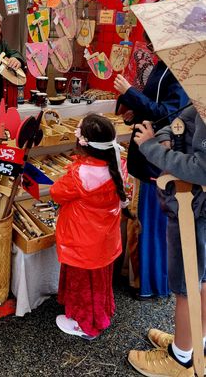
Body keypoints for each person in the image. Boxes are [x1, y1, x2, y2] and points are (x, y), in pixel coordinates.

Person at [128, 106, 206, 377]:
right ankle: (196, 343)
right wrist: (164, 139)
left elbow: (201, 169)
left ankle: (181, 358)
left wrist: (153, 148)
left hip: (195, 211)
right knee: (201, 280)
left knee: (188, 286)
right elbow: (176, 121)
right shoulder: (199, 91)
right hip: (194, 207)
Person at [114, 34, 189, 298]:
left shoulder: (180, 70)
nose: (149, 45)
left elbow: (168, 114)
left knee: (152, 224)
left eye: (153, 39)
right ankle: (137, 277)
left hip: (156, 158)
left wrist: (129, 93)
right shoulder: (162, 65)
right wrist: (133, 109)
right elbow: (153, 107)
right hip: (146, 155)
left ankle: (151, 284)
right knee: (141, 221)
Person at [50, 113, 127, 339]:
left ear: (84, 143)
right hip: (105, 238)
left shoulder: (79, 174)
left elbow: (56, 193)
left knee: (82, 283)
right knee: (100, 279)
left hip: (82, 239)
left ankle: (86, 324)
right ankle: (101, 311)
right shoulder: (118, 164)